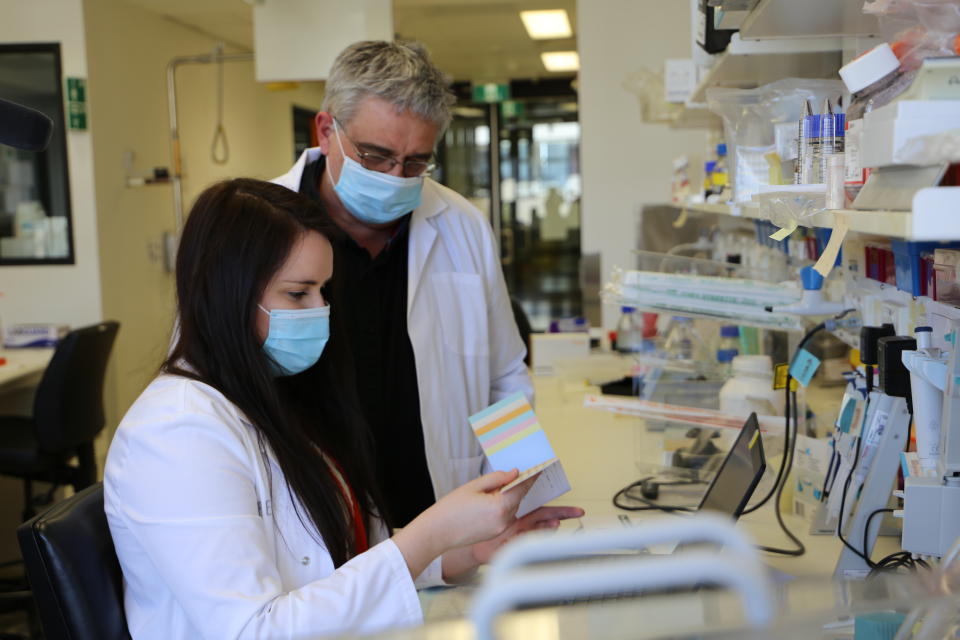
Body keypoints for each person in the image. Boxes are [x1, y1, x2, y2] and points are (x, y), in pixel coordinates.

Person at [104, 179, 582, 639]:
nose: (319, 310)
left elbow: (340, 565)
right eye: (298, 293)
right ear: (225, 292)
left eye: (324, 292)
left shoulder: (279, 394)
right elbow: (254, 630)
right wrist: (430, 534)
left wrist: (470, 551)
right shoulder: (177, 431)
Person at [273, 40, 532, 528]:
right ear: (327, 130)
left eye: (415, 162)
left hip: (440, 522)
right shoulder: (255, 231)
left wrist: (517, 482)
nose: (396, 177)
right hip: (312, 531)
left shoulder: (461, 225)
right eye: (375, 156)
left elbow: (505, 378)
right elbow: (211, 382)